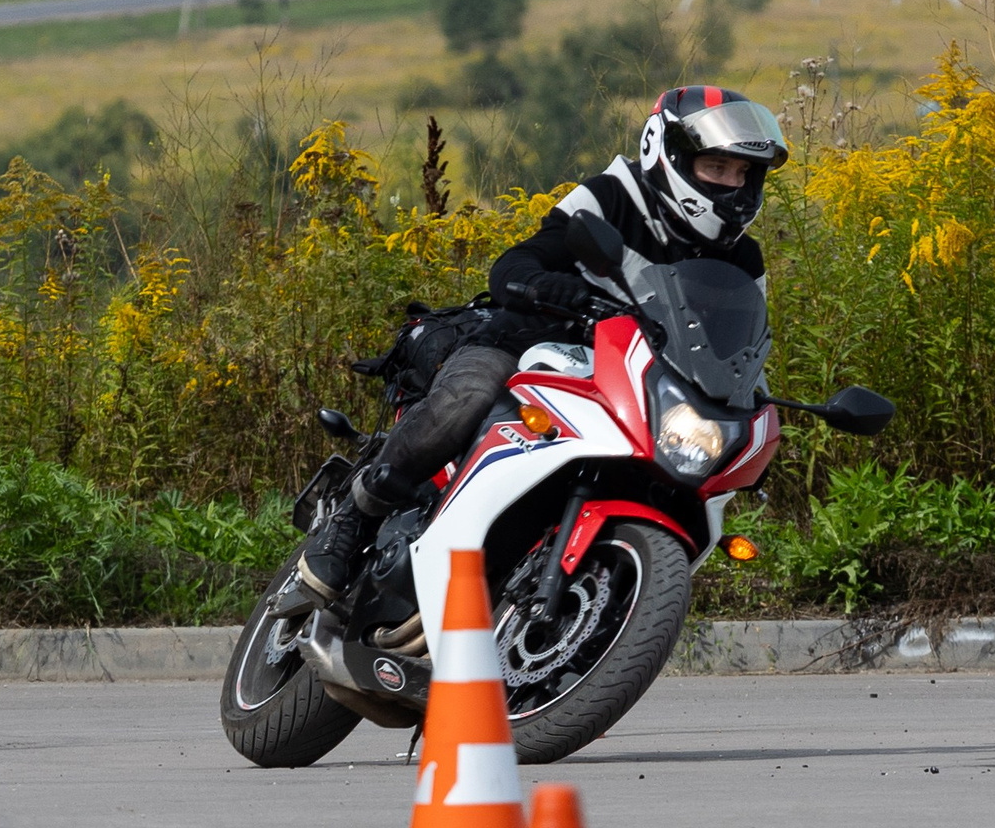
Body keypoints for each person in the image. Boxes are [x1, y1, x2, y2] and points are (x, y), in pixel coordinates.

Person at [297, 85, 791, 598]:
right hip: (527, 345)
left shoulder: (743, 258)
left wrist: (746, 395)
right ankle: (355, 515)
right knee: (468, 397)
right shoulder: (612, 197)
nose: (733, 186)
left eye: (743, 173)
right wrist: (550, 287)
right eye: (717, 167)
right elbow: (514, 265)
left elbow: (739, 344)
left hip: (632, 380)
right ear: (665, 152)